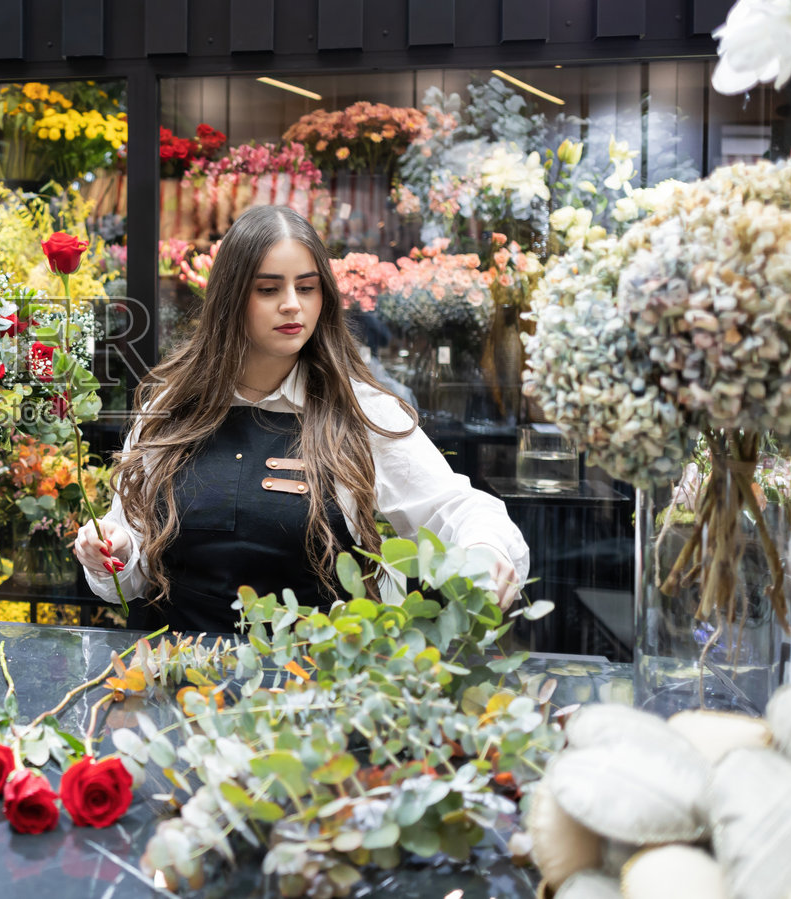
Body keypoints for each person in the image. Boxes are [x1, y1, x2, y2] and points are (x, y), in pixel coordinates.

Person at [72, 205, 528, 634]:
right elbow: (126, 582)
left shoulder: (359, 411)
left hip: (307, 693)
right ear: (231, 299)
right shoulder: (169, 409)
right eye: (268, 289)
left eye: (306, 288)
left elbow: (456, 508)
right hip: (170, 689)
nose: (292, 304)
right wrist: (112, 552)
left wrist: (484, 551)